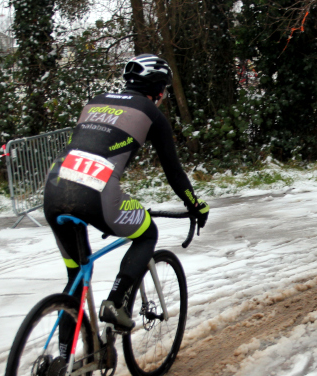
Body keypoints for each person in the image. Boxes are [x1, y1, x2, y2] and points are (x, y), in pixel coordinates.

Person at [43, 54, 209, 341]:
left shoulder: (95, 101)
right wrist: (194, 205)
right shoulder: (151, 113)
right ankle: (115, 302)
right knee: (147, 233)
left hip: (54, 188)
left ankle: (64, 365)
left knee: (76, 280)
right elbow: (174, 171)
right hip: (96, 194)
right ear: (158, 89)